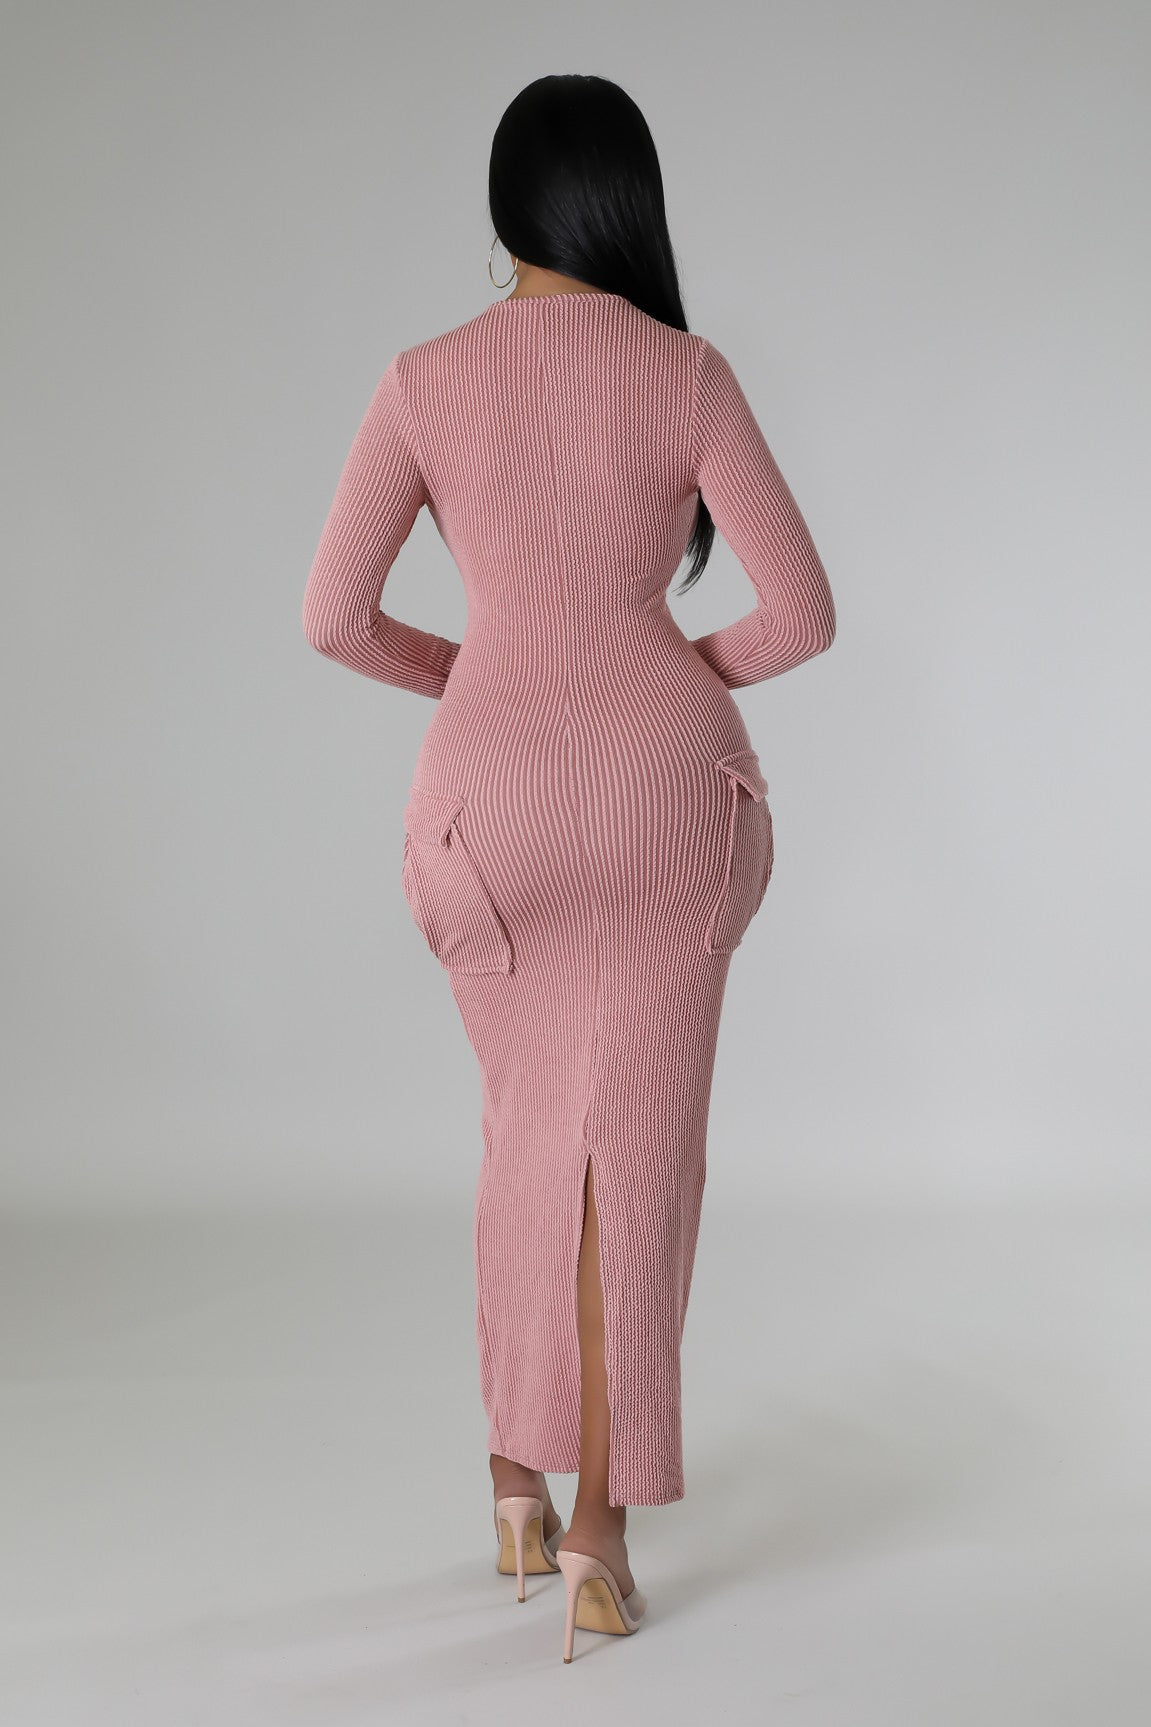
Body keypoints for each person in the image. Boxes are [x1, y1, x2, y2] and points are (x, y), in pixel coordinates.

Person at [301, 72, 836, 1663]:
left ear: (506, 207)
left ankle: (510, 1489)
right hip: (671, 799)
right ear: (627, 204)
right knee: (635, 1152)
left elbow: (332, 617)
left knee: (529, 1128)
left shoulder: (424, 378)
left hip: (493, 808)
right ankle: (600, 1535)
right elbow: (801, 615)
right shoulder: (688, 373)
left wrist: (480, 678)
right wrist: (667, 681)